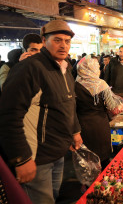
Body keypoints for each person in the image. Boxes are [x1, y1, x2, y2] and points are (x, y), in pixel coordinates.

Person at [0, 20, 83, 203]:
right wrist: (21, 158)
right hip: (37, 157)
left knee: (52, 197)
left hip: (58, 151)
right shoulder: (30, 68)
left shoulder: (65, 67)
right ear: (44, 41)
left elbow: (68, 102)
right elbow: (9, 114)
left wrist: (74, 131)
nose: (63, 45)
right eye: (57, 40)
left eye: (67, 41)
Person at [75, 56, 123, 169]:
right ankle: (102, 182)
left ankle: (87, 183)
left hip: (82, 125)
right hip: (99, 124)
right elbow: (112, 106)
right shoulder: (101, 84)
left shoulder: (75, 84)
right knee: (102, 157)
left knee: (87, 158)